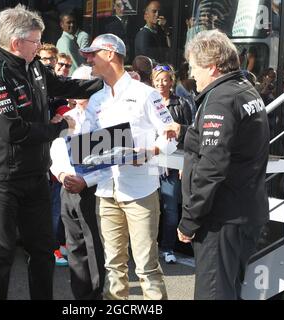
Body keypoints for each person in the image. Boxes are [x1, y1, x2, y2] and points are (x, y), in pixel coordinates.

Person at [0, 4, 103, 300]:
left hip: (34, 176)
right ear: (17, 43)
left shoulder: (33, 65)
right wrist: (59, 128)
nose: (41, 46)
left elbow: (64, 84)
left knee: (43, 251)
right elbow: (13, 131)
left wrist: (106, 80)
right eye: (36, 41)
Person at [80, 33, 177, 300]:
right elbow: (85, 146)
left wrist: (151, 151)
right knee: (113, 267)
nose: (88, 59)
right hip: (105, 192)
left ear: (110, 54)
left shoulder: (146, 94)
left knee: (146, 267)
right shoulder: (97, 99)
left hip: (141, 192)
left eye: (93, 54)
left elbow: (171, 135)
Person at [175, 30, 270, 300]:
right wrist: (185, 133)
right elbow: (233, 141)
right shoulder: (245, 89)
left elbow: (213, 166)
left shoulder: (221, 99)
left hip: (222, 217)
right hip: (243, 211)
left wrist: (189, 219)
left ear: (212, 67)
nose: (192, 74)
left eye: (194, 67)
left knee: (214, 294)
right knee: (229, 290)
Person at [50, 65, 106, 299]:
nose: (74, 88)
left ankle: (95, 297)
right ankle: (80, 297)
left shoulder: (104, 116)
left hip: (93, 190)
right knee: (74, 248)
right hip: (67, 189)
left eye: (80, 83)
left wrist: (86, 180)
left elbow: (107, 159)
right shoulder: (67, 116)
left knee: (94, 247)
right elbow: (55, 149)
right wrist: (62, 175)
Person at [151, 64, 194, 264]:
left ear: (172, 81)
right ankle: (148, 247)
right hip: (150, 161)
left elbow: (190, 136)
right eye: (158, 79)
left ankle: (167, 248)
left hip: (173, 162)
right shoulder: (147, 101)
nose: (161, 83)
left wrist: (186, 162)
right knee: (149, 207)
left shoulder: (182, 103)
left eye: (165, 79)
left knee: (170, 208)